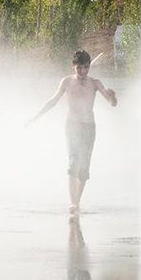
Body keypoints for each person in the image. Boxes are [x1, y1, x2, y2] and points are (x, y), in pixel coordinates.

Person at [28, 50, 118, 215]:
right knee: (73, 162)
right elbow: (53, 101)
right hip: (72, 126)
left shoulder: (95, 83)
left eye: (85, 68)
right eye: (79, 68)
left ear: (89, 66)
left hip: (89, 128)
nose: (83, 72)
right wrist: (35, 117)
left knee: (84, 167)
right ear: (73, 66)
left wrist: (113, 98)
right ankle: (73, 203)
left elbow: (112, 103)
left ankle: (77, 200)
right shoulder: (67, 82)